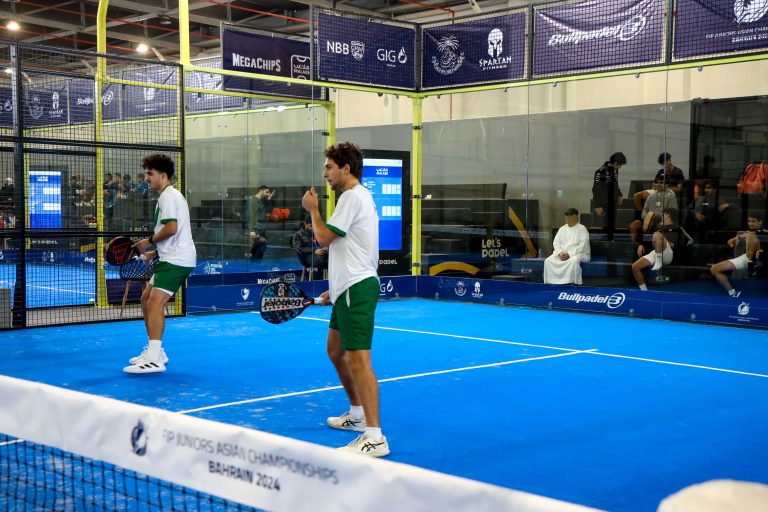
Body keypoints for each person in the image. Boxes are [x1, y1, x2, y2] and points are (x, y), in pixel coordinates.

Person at [301, 141, 388, 457]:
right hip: (347, 288)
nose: (325, 174)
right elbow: (347, 248)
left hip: (357, 288)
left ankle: (375, 437)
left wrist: (313, 209)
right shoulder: (356, 197)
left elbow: (325, 238)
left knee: (359, 360)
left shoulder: (351, 197)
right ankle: (357, 414)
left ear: (345, 169)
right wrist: (335, 289)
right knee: (336, 351)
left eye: (329, 167)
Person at [124, 154, 196, 374]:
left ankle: (154, 359)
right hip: (169, 257)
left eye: (150, 174)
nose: (146, 178)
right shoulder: (169, 196)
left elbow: (171, 229)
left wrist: (148, 242)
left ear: (163, 176)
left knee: (155, 303)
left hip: (177, 260)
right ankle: (156, 351)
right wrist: (154, 253)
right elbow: (178, 233)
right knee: (146, 299)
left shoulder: (168, 197)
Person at [632, 208, 693, 290]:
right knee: (635, 267)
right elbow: (649, 239)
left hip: (669, 254)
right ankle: (644, 291)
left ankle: (658, 261)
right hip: (657, 251)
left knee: (657, 235)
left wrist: (674, 245)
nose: (662, 216)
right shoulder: (659, 229)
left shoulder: (678, 228)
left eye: (663, 214)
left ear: (668, 215)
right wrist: (641, 244)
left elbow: (690, 241)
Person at [710, 212, 766, 297]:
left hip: (762, 259)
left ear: (760, 222)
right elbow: (744, 234)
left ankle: (753, 265)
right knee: (714, 269)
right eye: (749, 221)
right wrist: (735, 238)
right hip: (747, 258)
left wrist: (763, 251)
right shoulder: (748, 232)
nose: (750, 224)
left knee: (750, 236)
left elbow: (750, 234)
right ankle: (732, 292)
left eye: (753, 221)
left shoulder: (764, 231)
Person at [543, 208, 591, 285]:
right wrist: (560, 253)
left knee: (573, 261)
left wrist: (569, 254)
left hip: (578, 253)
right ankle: (551, 282)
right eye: (566, 216)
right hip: (562, 254)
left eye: (569, 216)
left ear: (576, 217)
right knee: (548, 261)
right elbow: (556, 243)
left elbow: (583, 245)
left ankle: (571, 283)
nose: (567, 218)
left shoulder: (582, 229)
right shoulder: (562, 229)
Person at [630, 176, 678, 242]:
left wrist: (656, 216)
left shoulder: (671, 195)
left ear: (666, 185)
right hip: (649, 223)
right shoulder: (651, 195)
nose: (658, 184)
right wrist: (648, 218)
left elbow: (673, 214)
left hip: (663, 222)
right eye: (657, 182)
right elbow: (644, 211)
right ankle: (635, 244)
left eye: (661, 183)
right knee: (634, 225)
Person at [591, 152, 626, 240]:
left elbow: (615, 183)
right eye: (620, 165)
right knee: (605, 225)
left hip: (612, 201)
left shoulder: (614, 170)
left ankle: (611, 239)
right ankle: (607, 241)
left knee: (612, 224)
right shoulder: (601, 171)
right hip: (603, 201)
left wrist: (619, 194)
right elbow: (596, 189)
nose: (620, 167)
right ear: (616, 163)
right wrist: (597, 205)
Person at [248, 185, 273, 261]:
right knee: (260, 246)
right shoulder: (253, 200)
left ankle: (255, 262)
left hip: (262, 227)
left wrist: (269, 200)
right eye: (266, 192)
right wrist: (252, 230)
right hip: (257, 227)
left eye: (268, 192)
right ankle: (254, 262)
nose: (267, 194)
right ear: (261, 191)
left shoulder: (262, 201)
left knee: (259, 246)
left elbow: (268, 211)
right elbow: (251, 215)